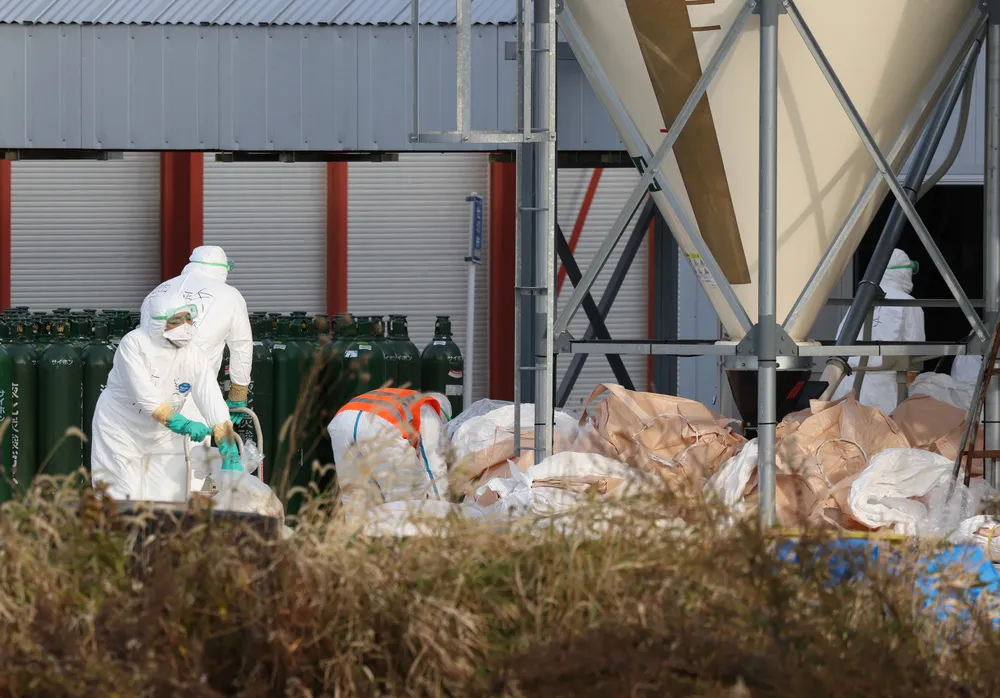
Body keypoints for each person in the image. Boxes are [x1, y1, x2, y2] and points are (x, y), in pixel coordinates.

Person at [91, 292, 243, 502]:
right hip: (122, 428)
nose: (186, 326)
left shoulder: (193, 354)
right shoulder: (134, 345)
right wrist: (183, 423)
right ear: (158, 323)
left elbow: (211, 398)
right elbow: (146, 398)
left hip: (162, 432)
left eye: (189, 319)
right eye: (177, 320)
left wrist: (227, 442)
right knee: (122, 495)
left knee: (166, 496)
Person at [141, 245, 253, 487]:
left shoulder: (159, 290)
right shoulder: (230, 296)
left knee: (149, 467)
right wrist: (237, 396)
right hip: (193, 394)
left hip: (150, 392)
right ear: (223, 269)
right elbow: (242, 348)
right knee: (188, 470)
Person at [832, 248, 925, 415]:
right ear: (906, 272)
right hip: (884, 393)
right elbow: (914, 359)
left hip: (844, 387)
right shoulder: (909, 304)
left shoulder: (860, 300)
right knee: (882, 438)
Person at [328, 388, 452, 506]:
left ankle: (354, 528)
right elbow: (435, 467)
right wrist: (441, 511)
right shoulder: (428, 411)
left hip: (343, 421)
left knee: (356, 499)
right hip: (380, 423)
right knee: (410, 496)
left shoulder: (405, 400)